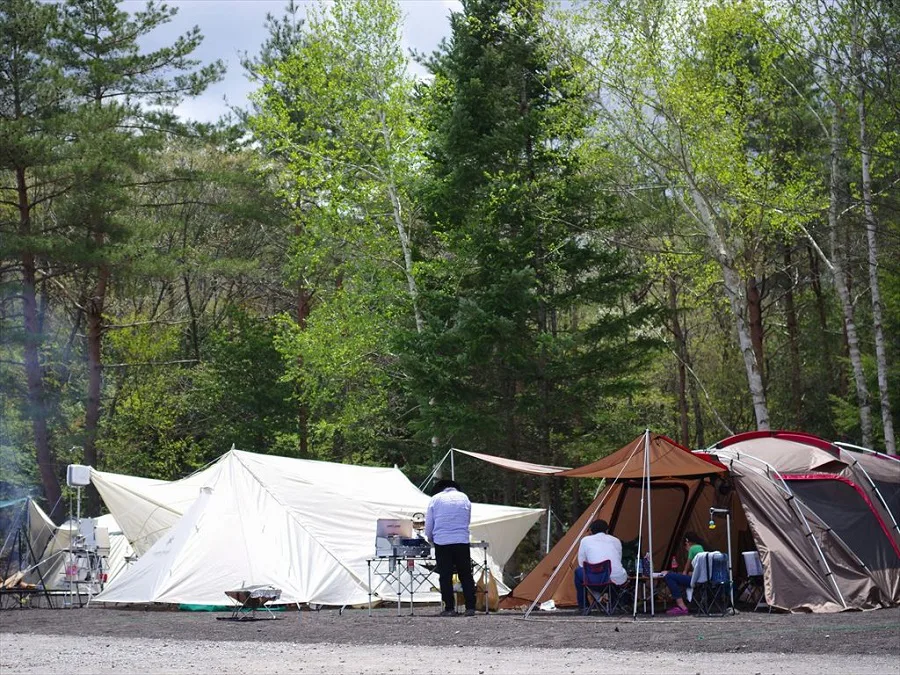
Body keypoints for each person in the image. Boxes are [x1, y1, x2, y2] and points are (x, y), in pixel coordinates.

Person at [425, 479, 476, 617]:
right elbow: (467, 519)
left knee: (445, 576)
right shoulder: (464, 498)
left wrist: (429, 537)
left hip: (442, 541)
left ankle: (449, 608)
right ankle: (470, 607)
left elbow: (429, 523)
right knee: (465, 574)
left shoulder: (435, 499)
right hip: (461, 540)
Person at [573, 519, 628, 615]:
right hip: (615, 582)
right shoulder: (616, 541)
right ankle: (616, 603)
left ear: (591, 531)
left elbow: (582, 563)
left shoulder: (585, 540)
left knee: (578, 571)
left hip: (595, 581)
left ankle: (584, 606)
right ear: (607, 530)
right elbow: (618, 559)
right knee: (616, 573)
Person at [662, 531, 706, 616]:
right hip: (702, 578)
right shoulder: (700, 547)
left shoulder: (692, 548)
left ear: (687, 542)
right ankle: (686, 602)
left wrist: (682, 572)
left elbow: (686, 567)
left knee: (669, 576)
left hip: (696, 580)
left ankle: (682, 606)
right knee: (677, 579)